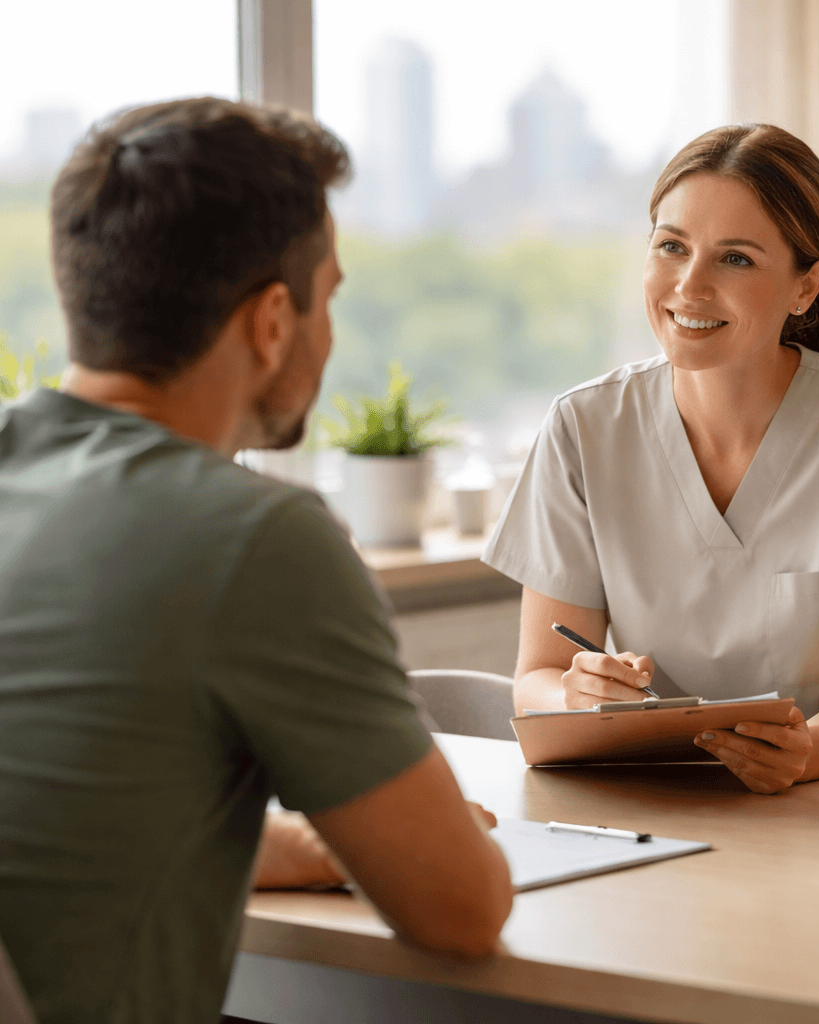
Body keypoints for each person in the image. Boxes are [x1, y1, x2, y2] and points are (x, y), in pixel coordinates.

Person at [0, 97, 512, 1024]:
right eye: (332, 296)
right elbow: (462, 911)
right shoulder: (257, 539)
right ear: (274, 321)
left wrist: (308, 847)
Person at [483, 123, 819, 795]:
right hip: (657, 803)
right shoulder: (583, 426)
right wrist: (577, 697)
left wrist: (800, 753)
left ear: (805, 287)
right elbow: (537, 681)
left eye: (736, 259)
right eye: (671, 247)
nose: (689, 286)